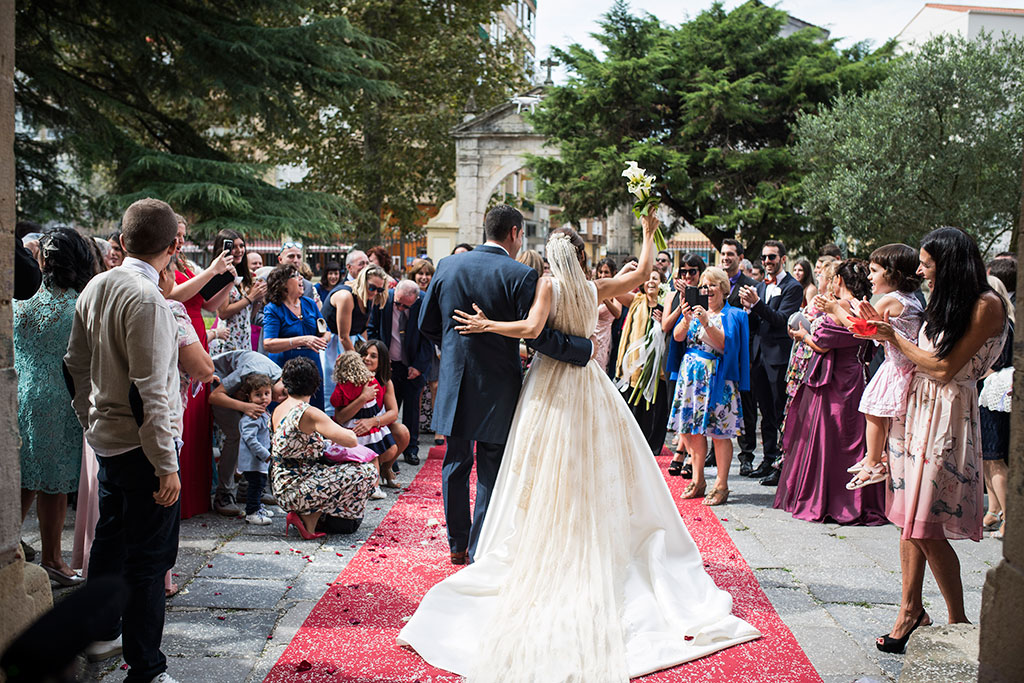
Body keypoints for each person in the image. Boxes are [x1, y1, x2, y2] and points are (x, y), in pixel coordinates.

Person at [400, 215, 760, 681]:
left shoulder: (545, 287)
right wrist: (649, 234)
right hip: (588, 383)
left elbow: (530, 330)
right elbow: (640, 272)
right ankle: (585, 520)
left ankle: (505, 534)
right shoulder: (596, 289)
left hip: (546, 384)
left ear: (552, 258)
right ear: (583, 257)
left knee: (531, 461)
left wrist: (489, 324)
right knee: (593, 455)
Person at [857, 227, 1007, 654]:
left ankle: (958, 623)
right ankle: (910, 611)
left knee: (925, 524)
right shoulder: (946, 302)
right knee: (909, 519)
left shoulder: (986, 305)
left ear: (949, 262)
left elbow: (943, 368)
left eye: (926, 263)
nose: (919, 271)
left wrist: (893, 337)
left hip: (948, 416)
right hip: (918, 411)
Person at [418, 204, 594, 565]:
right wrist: (583, 349)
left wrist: (455, 347)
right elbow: (538, 337)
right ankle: (481, 548)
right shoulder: (520, 274)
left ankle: (456, 544)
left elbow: (426, 323)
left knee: (454, 464)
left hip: (454, 381)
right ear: (514, 232)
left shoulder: (448, 266)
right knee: (491, 469)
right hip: (498, 386)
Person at [64, 198, 183, 682]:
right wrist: (166, 464)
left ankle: (100, 629)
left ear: (124, 239)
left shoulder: (98, 284)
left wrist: (89, 419)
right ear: (174, 245)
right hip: (141, 446)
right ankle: (146, 668)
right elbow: (150, 389)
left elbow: (73, 364)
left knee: (111, 542)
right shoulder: (147, 298)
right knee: (149, 561)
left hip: (110, 439)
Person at [774, 259, 886, 525]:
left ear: (838, 280)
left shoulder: (841, 308)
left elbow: (822, 344)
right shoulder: (863, 308)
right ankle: (861, 499)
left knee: (829, 439)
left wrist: (803, 335)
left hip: (834, 382)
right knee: (854, 437)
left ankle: (828, 498)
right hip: (858, 376)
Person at [17, 227, 95, 585]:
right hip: (58, 397)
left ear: (44, 259)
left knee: (24, 477)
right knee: (54, 482)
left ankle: (8, 546)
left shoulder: (19, 303)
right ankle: (52, 558)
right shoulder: (79, 304)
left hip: (20, 395)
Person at [840, 245, 923, 489]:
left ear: (893, 274)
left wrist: (841, 310)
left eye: (874, 270)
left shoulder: (891, 300)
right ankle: (873, 456)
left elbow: (863, 330)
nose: (869, 277)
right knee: (878, 414)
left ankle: (874, 461)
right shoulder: (912, 300)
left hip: (895, 368)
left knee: (873, 411)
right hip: (902, 367)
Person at [169, 214, 234, 519]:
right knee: (181, 416)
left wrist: (228, 279)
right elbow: (171, 297)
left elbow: (208, 304)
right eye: (177, 234)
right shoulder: (166, 266)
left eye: (183, 235)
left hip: (196, 335)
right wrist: (211, 271)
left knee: (199, 418)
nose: (181, 240)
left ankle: (197, 496)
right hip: (180, 336)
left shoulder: (184, 265)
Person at [667, 267, 749, 506]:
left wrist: (705, 322)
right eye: (704, 285)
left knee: (719, 433)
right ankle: (698, 478)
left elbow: (726, 345)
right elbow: (678, 337)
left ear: (724, 289)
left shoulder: (733, 314)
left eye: (713, 285)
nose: (708, 290)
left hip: (718, 378)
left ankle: (721, 484)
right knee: (690, 430)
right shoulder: (694, 311)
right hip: (691, 377)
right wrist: (686, 319)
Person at [271, 357, 376, 540]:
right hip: (296, 488)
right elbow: (350, 439)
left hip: (283, 482)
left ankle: (312, 516)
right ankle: (310, 515)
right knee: (366, 471)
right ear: (314, 385)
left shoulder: (280, 408)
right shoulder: (307, 412)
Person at [739, 240, 803, 482]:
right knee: (764, 412)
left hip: (778, 357)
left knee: (779, 412)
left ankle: (783, 463)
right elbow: (758, 323)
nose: (767, 262)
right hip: (758, 356)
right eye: (764, 258)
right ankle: (768, 459)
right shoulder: (760, 286)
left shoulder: (792, 287)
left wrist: (757, 304)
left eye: (772, 258)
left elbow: (781, 320)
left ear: (783, 259)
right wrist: (749, 311)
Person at [208, 349, 285, 516]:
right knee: (237, 434)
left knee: (259, 432)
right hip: (214, 383)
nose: (280, 399)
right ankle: (224, 494)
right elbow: (215, 396)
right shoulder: (252, 370)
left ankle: (248, 488)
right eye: (283, 393)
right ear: (283, 378)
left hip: (239, 394)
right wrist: (245, 407)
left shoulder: (275, 381)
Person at [331, 345, 410, 498]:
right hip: (351, 428)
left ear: (382, 361)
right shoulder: (348, 380)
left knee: (401, 433)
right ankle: (364, 477)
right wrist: (362, 398)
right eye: (364, 354)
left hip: (373, 427)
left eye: (373, 356)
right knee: (369, 454)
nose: (367, 358)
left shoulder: (384, 382)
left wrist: (372, 422)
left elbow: (393, 413)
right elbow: (340, 418)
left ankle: (385, 469)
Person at [367, 279, 432, 465]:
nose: (401, 308)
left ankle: (411, 449)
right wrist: (380, 356)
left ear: (416, 299)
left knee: (412, 409)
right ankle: (389, 449)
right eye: (399, 303)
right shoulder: (384, 300)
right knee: (387, 408)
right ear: (395, 292)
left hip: (413, 363)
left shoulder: (424, 303)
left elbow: (429, 338)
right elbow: (373, 330)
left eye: (406, 306)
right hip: (389, 363)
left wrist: (419, 366)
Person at [615, 269, 669, 456]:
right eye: (647, 279)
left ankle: (652, 446)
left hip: (657, 368)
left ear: (662, 283)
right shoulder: (636, 300)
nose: (650, 282)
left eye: (655, 278)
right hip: (635, 367)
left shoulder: (666, 305)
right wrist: (627, 272)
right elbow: (613, 288)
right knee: (633, 407)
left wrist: (665, 322)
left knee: (655, 409)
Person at [661, 253, 706, 474]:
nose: (687, 275)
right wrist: (682, 302)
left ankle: (686, 453)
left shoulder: (706, 294)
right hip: (675, 350)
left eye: (692, 271)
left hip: (697, 354)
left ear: (700, 273)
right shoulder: (672, 295)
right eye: (684, 271)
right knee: (676, 404)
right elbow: (665, 325)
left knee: (691, 404)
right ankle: (683, 450)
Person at [262, 265, 330, 410]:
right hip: (285, 368)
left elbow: (325, 330)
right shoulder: (273, 308)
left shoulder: (310, 304)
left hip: (312, 366)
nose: (301, 278)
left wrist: (322, 339)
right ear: (282, 284)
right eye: (295, 275)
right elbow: (268, 343)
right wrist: (302, 340)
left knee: (314, 410)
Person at [721, 238, 760, 477]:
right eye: (723, 254)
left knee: (746, 405)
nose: (726, 258)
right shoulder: (713, 282)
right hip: (719, 353)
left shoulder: (751, 285)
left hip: (743, 355)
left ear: (740, 257)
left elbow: (756, 323)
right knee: (718, 402)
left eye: (730, 254)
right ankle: (714, 452)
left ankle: (746, 456)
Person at [211, 230, 266, 353]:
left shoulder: (243, 277)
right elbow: (223, 313)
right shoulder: (222, 274)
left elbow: (248, 316)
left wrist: (258, 298)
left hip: (244, 340)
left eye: (241, 246)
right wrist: (250, 298)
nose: (239, 250)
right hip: (227, 341)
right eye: (234, 247)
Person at [237, 374, 275, 525]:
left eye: (267, 393)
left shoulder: (263, 413)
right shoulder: (253, 416)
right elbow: (250, 438)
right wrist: (265, 454)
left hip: (259, 461)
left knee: (259, 485)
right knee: (255, 485)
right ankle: (252, 512)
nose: (264, 398)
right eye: (258, 395)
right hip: (254, 460)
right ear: (249, 397)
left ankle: (257, 507)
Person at [593, 258, 622, 372]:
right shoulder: (595, 288)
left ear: (613, 273)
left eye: (606, 272)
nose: (602, 275)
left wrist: (605, 298)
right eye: (600, 272)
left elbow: (617, 313)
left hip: (604, 335)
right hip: (591, 332)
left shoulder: (616, 291)